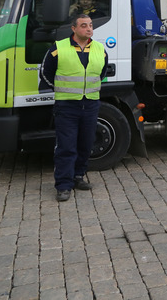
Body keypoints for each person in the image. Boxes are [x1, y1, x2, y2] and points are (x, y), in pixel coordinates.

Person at [40, 14, 109, 202]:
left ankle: (78, 176)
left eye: (91, 26)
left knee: (86, 144)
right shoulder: (58, 48)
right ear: (74, 29)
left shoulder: (100, 49)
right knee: (66, 146)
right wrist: (61, 90)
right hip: (67, 106)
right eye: (84, 25)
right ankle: (63, 185)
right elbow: (45, 73)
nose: (88, 29)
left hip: (91, 104)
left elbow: (102, 73)